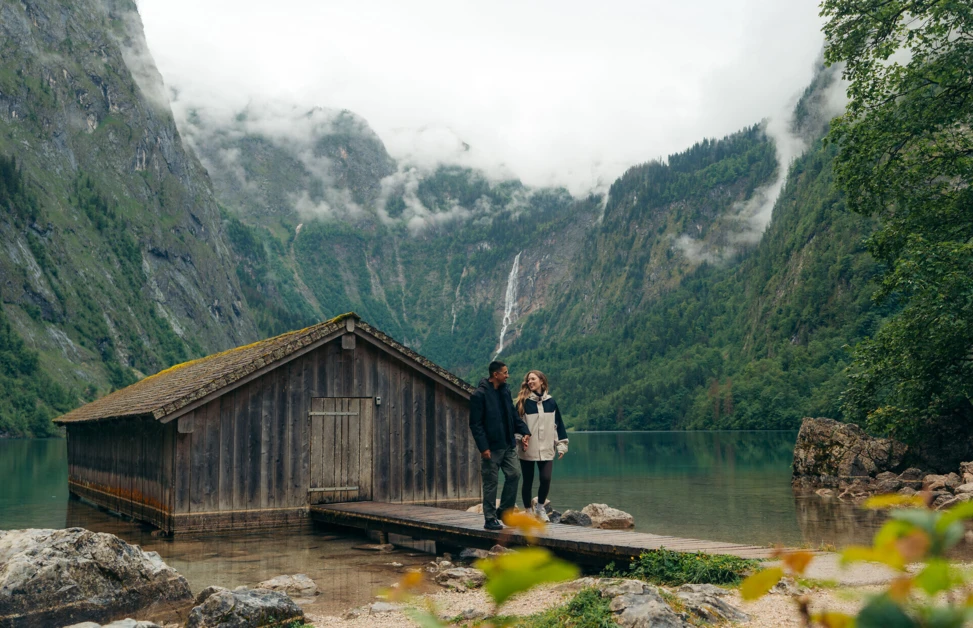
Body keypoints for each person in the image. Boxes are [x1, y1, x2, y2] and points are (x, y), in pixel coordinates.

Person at [469, 360, 531, 530]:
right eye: (505, 372)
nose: (507, 375)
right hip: (491, 448)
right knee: (491, 483)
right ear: (495, 375)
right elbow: (476, 424)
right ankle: (489, 519)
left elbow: (512, 415)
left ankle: (504, 512)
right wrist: (484, 448)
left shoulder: (505, 391)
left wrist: (525, 431)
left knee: (515, 474)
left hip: (508, 444)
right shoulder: (479, 395)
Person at [514, 370, 568, 522]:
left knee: (546, 478)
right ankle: (528, 510)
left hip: (546, 447)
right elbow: (516, 424)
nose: (530, 382)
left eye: (533, 379)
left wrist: (561, 446)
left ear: (542, 381)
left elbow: (558, 425)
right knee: (528, 480)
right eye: (528, 380)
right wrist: (520, 438)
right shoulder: (523, 402)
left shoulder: (551, 402)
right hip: (527, 448)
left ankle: (539, 508)